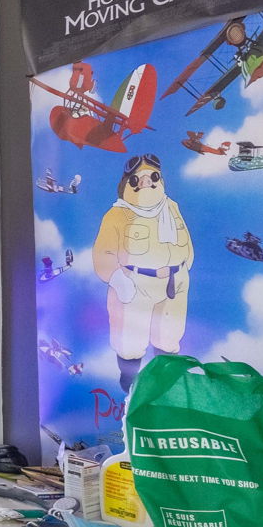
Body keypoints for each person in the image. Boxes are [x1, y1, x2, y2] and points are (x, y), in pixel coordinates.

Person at [91, 152, 192, 391]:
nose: (147, 182)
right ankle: (131, 384)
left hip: (174, 282)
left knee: (169, 334)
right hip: (136, 284)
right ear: (126, 185)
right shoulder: (117, 215)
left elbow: (184, 237)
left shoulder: (171, 207)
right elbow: (103, 253)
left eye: (153, 177)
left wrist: (185, 264)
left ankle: (164, 382)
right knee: (130, 340)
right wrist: (119, 280)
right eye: (137, 179)